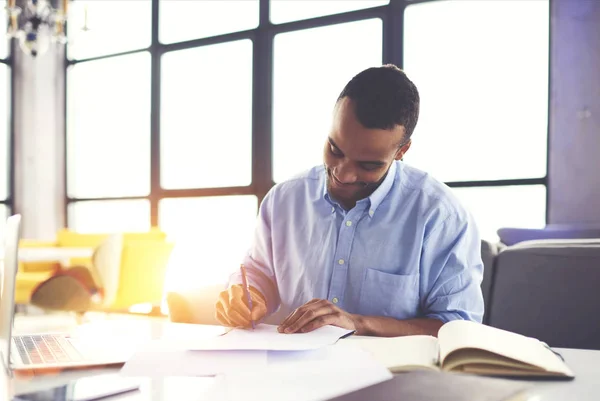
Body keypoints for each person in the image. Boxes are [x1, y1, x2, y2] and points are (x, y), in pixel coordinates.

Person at [215, 64, 484, 337]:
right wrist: (248, 296)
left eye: (368, 165)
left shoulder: (440, 216)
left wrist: (358, 324)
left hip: (395, 377)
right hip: (291, 372)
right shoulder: (283, 200)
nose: (342, 173)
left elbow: (457, 328)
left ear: (402, 151)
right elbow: (260, 273)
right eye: (335, 150)